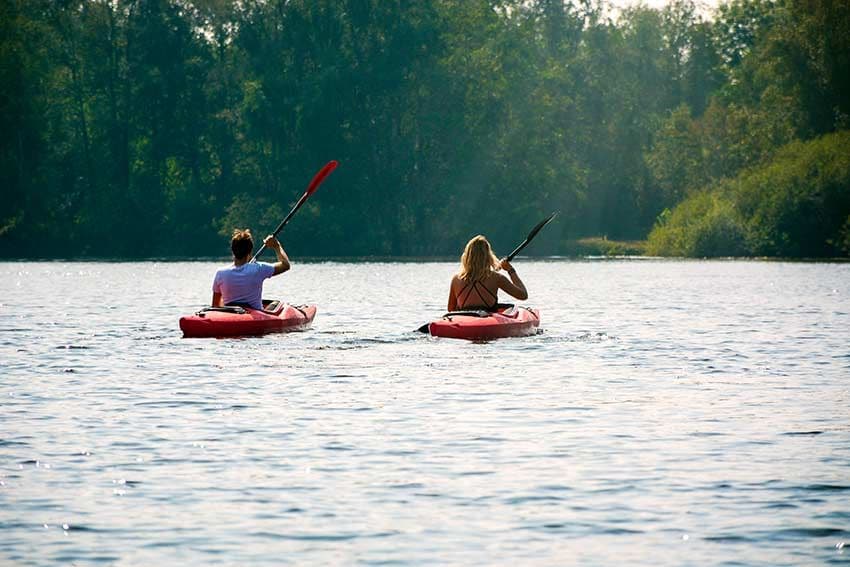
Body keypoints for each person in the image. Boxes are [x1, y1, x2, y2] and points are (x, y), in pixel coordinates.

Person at [211, 229, 290, 310]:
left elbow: (215, 306)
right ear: (250, 251)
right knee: (276, 304)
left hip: (230, 313)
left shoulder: (220, 273)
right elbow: (285, 265)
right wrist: (277, 246)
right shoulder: (258, 268)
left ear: (232, 250)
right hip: (256, 315)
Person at [447, 235, 528, 312]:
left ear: (467, 256)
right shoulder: (496, 278)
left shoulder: (456, 279)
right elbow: (523, 295)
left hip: (464, 320)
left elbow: (451, 309)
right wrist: (510, 270)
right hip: (487, 320)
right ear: (488, 256)